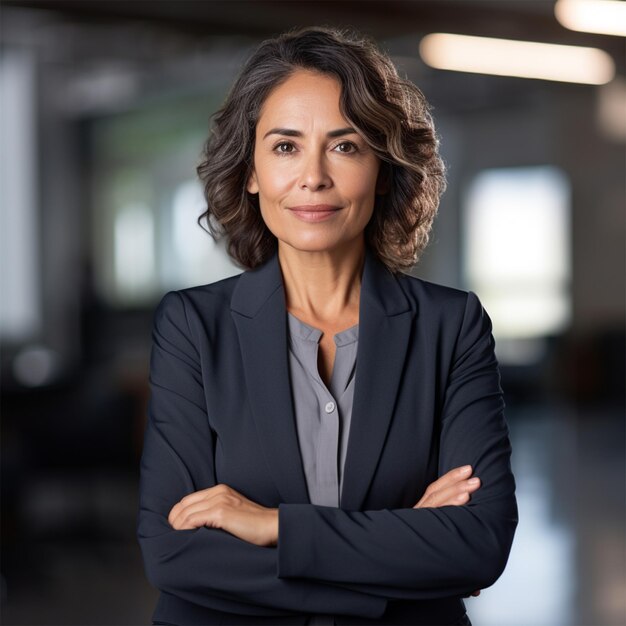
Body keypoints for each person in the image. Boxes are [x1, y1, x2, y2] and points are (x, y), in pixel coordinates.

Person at [137, 27, 518, 626]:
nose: (312, 177)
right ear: (252, 170)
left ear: (385, 170)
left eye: (345, 147)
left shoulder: (452, 325)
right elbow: (176, 554)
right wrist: (403, 560)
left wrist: (273, 528)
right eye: (285, 147)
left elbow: (477, 544)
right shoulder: (192, 327)